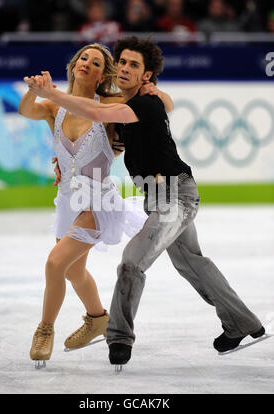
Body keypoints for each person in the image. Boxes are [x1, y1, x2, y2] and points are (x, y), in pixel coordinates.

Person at [27, 36, 265, 368]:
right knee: (192, 264)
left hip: (175, 195)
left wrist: (52, 94)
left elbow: (97, 109)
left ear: (146, 76)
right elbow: (107, 130)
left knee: (131, 261)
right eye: (122, 62)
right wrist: (67, 164)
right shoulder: (126, 106)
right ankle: (244, 323)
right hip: (156, 197)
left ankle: (119, 337)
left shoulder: (141, 104)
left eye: (134, 65)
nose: (124, 68)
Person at [20, 42, 174, 368]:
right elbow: (26, 111)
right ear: (75, 63)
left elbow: (164, 105)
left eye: (96, 61)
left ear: (104, 74)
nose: (87, 63)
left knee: (54, 264)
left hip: (97, 201)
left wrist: (150, 87)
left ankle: (44, 329)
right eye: (83, 58)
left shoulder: (109, 104)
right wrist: (33, 90)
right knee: (74, 271)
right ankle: (97, 318)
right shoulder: (53, 108)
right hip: (66, 199)